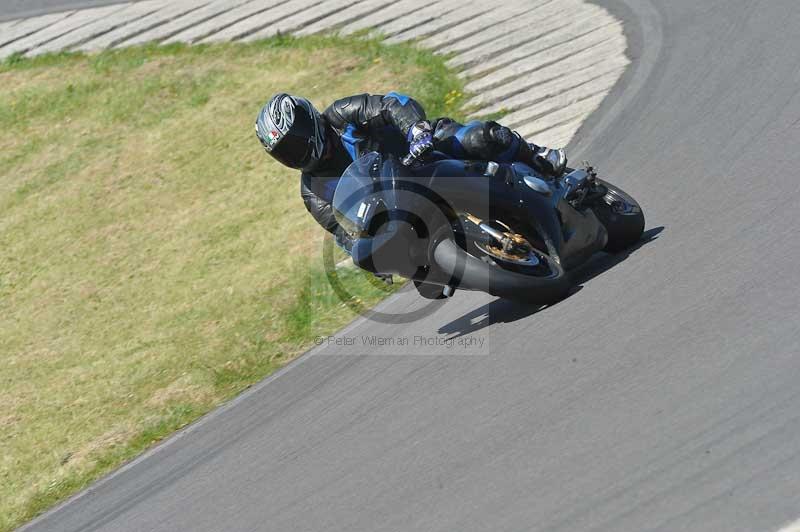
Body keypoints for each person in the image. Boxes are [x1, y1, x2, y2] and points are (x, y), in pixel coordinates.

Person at [254, 92, 567, 281]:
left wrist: (416, 131)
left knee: (479, 138)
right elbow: (343, 232)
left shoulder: (342, 115)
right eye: (284, 153)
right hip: (402, 208)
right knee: (424, 271)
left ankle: (538, 157)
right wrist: (373, 259)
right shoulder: (313, 191)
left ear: (309, 123)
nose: (294, 155)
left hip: (424, 154)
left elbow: (392, 104)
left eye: (294, 144)